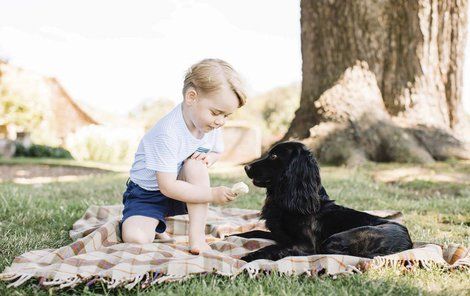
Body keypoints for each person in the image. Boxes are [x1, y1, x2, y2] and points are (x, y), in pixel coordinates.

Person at [121, 58, 247, 254]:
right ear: (191, 97)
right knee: (136, 239)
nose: (221, 121)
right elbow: (167, 186)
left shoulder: (209, 124)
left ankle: (197, 239)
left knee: (196, 166)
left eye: (226, 116)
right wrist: (212, 194)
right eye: (216, 113)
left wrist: (208, 159)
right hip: (148, 194)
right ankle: (151, 223)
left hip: (183, 188)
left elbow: (216, 151)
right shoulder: (167, 133)